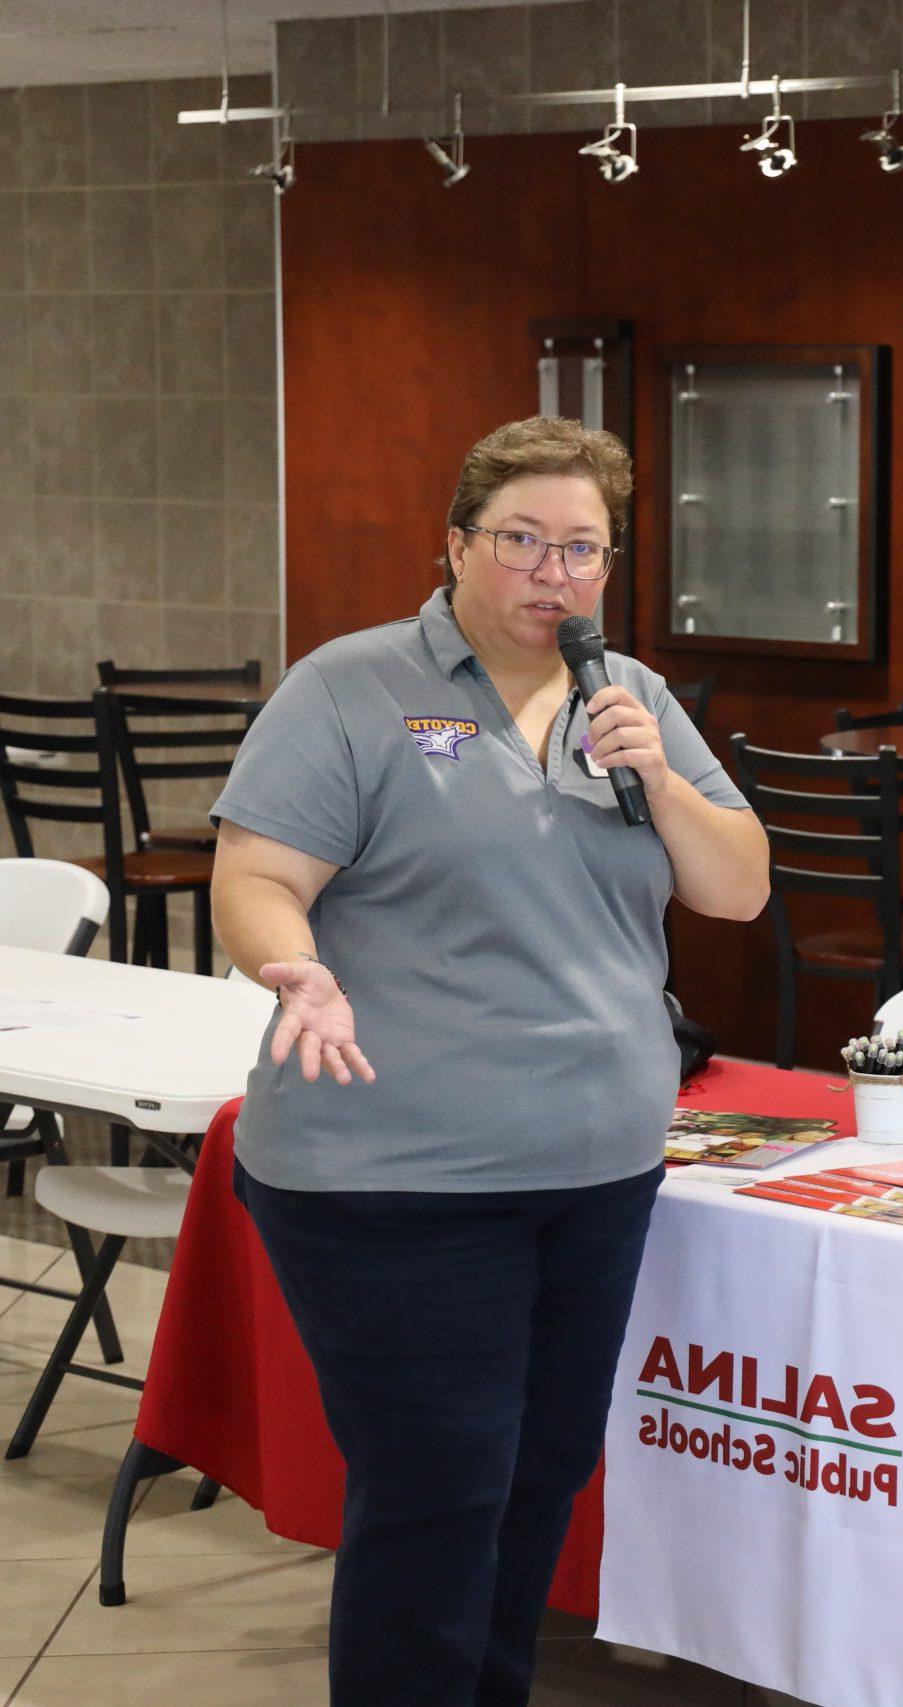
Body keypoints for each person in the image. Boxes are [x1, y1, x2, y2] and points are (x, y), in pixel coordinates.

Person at [208, 417, 769, 1707]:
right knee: (437, 1484)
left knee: (539, 1474)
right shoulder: (351, 687)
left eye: (583, 548)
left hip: (594, 1165)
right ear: (457, 545)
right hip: (388, 1167)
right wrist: (291, 963)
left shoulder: (632, 697)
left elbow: (737, 892)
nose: (552, 574)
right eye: (521, 541)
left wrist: (664, 782)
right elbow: (258, 874)